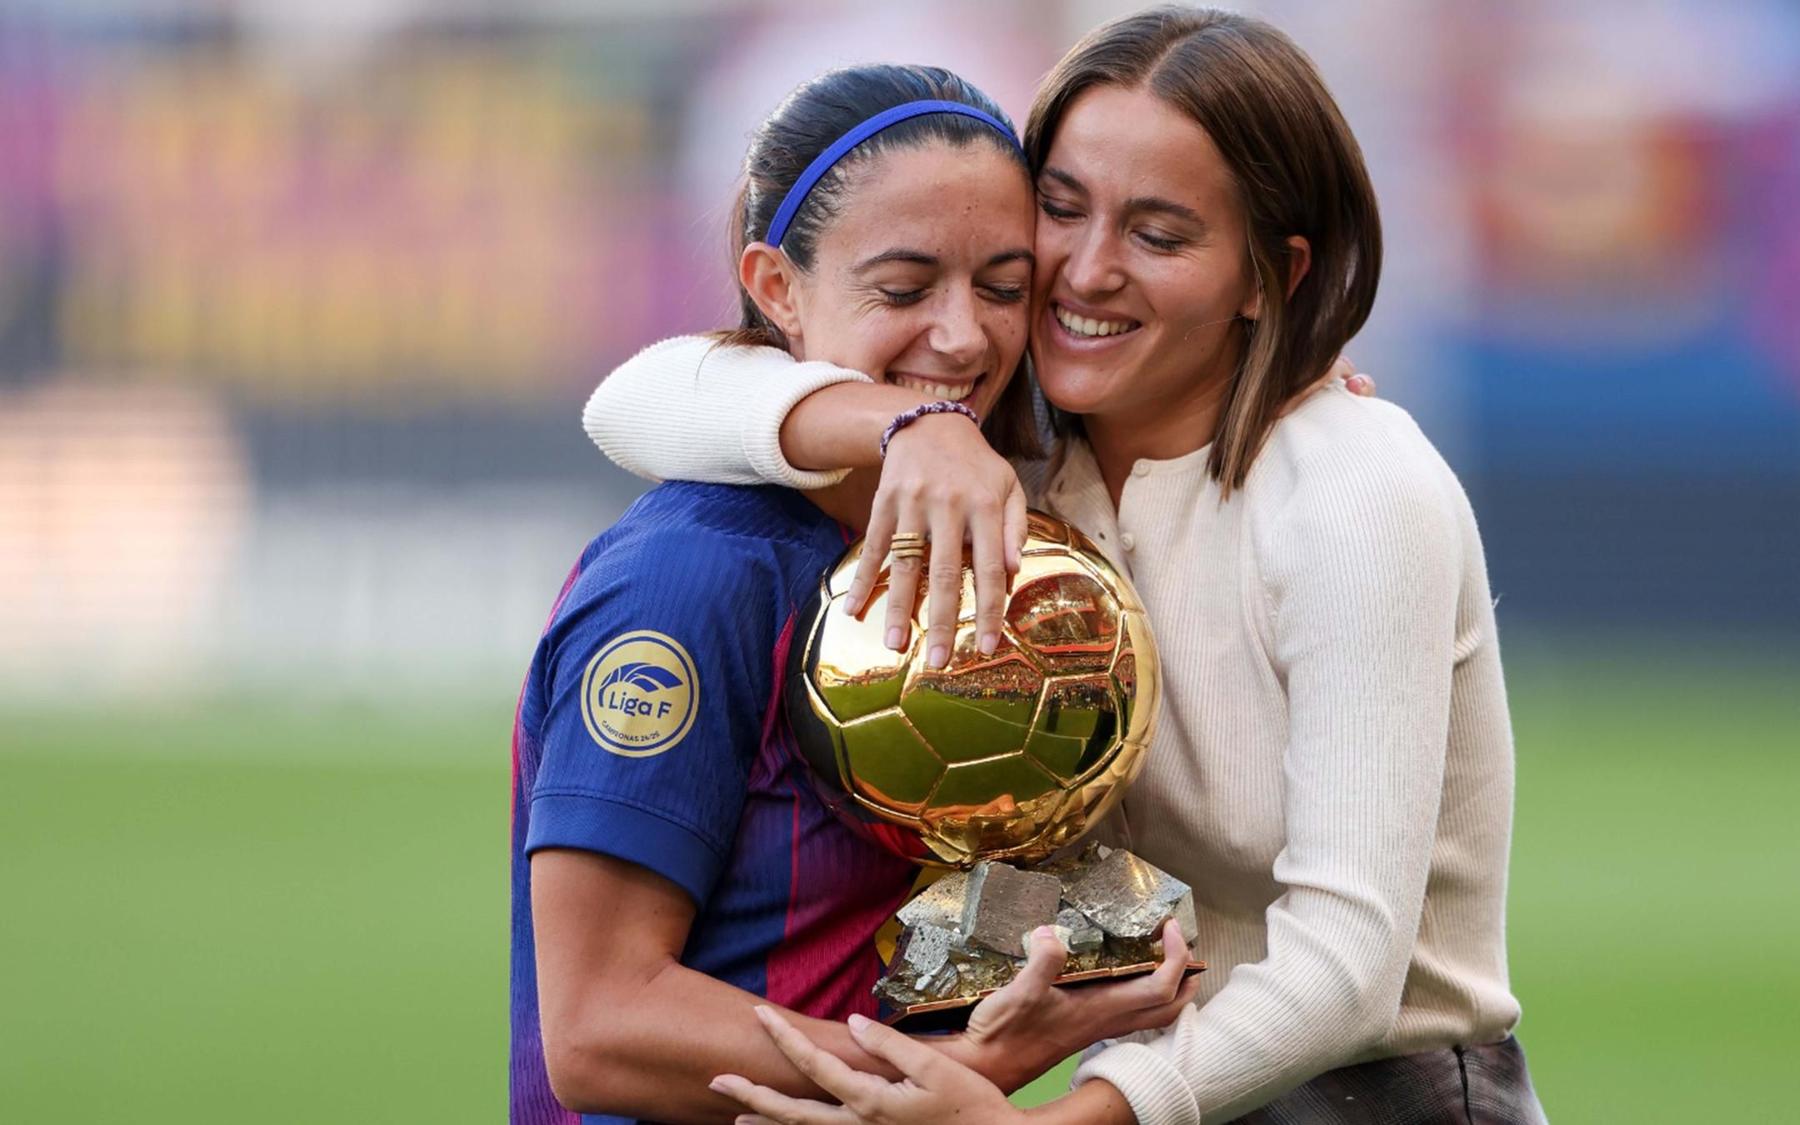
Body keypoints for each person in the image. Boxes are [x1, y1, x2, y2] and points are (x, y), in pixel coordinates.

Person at [580, 7, 1546, 1125]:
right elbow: (636, 401)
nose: (1085, 272)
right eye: (1060, 209)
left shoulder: (1352, 488)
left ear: (1265, 272)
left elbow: (1347, 960)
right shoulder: (1012, 454)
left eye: (1160, 234)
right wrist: (905, 426)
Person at [510, 62, 1193, 1125]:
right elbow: (601, 1030)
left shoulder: (1009, 522)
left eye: (1004, 288)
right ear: (776, 287)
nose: (963, 337)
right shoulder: (691, 576)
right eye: (904, 288)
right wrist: (958, 1072)